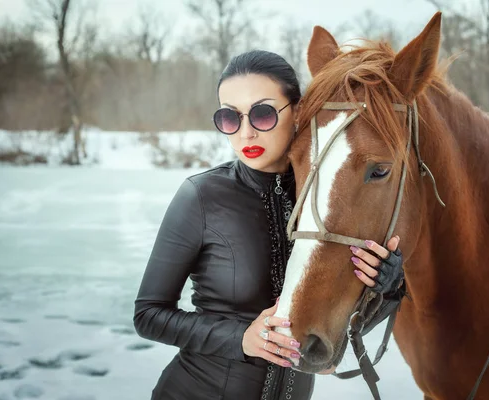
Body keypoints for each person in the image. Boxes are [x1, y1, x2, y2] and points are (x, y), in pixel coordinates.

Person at [133, 50, 404, 400]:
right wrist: (241, 338)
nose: (245, 133)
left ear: (299, 111)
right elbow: (148, 314)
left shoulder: (327, 195)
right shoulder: (202, 196)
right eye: (230, 118)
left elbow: (345, 320)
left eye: (261, 114)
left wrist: (390, 284)